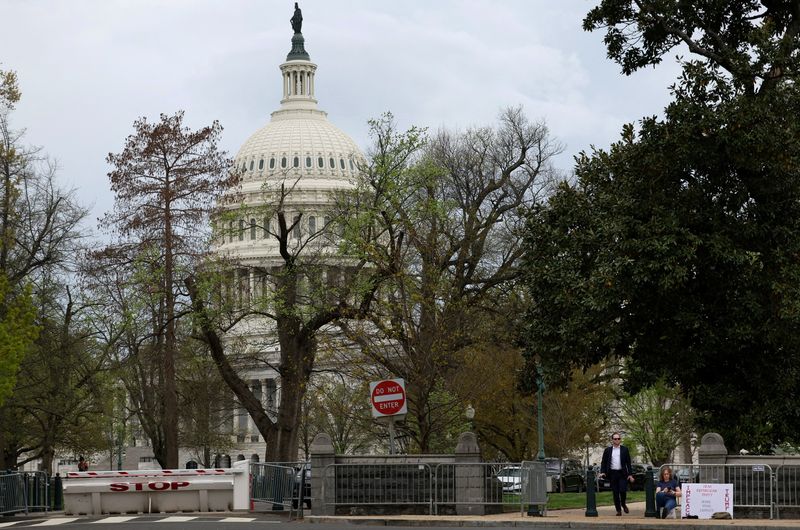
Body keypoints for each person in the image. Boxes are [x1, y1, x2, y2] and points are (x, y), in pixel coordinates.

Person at [598, 432, 634, 516]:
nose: (617, 440)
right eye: (615, 439)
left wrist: (630, 474)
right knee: (615, 492)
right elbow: (604, 462)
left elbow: (628, 463)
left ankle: (623, 504)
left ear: (620, 440)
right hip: (612, 473)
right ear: (612, 440)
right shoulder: (608, 450)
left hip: (622, 473)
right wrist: (602, 472)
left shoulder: (625, 449)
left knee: (622, 490)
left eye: (618, 439)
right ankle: (618, 510)